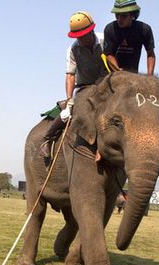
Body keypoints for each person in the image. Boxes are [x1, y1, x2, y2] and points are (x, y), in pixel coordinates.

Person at [40, 11, 106, 157]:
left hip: (106, 86)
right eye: (77, 37)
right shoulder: (73, 49)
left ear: (91, 31)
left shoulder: (104, 40)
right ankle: (47, 139)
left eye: (83, 36)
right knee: (67, 113)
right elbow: (70, 75)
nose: (80, 40)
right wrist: (69, 99)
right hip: (85, 87)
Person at [103, 0, 156, 75]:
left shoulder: (144, 30)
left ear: (133, 15)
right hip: (112, 73)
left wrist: (150, 76)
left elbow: (150, 54)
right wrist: (117, 71)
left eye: (124, 16)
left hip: (133, 74)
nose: (119, 19)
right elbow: (109, 54)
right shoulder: (110, 29)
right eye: (117, 15)